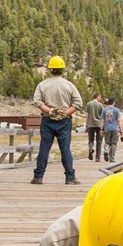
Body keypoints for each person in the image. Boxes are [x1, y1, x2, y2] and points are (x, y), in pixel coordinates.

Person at [31, 55, 83, 185]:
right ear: (62, 70)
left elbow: (37, 101)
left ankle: (38, 177)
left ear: (50, 69)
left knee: (44, 148)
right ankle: (70, 177)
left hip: (47, 120)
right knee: (65, 149)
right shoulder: (69, 85)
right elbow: (78, 103)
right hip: (64, 121)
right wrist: (65, 113)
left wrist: (49, 111)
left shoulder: (43, 85)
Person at [101, 97, 121, 163]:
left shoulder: (104, 110)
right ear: (113, 102)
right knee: (114, 144)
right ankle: (112, 158)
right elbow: (118, 120)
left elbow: (102, 120)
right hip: (115, 128)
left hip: (107, 129)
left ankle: (106, 151)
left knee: (107, 142)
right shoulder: (116, 110)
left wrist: (101, 129)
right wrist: (120, 129)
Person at [85, 92, 104, 161]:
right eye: (100, 97)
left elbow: (87, 115)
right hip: (99, 125)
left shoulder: (89, 104)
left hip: (90, 124)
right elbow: (102, 117)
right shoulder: (101, 105)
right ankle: (97, 157)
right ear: (98, 96)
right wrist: (103, 127)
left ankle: (90, 149)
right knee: (99, 141)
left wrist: (86, 125)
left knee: (91, 140)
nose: (100, 98)